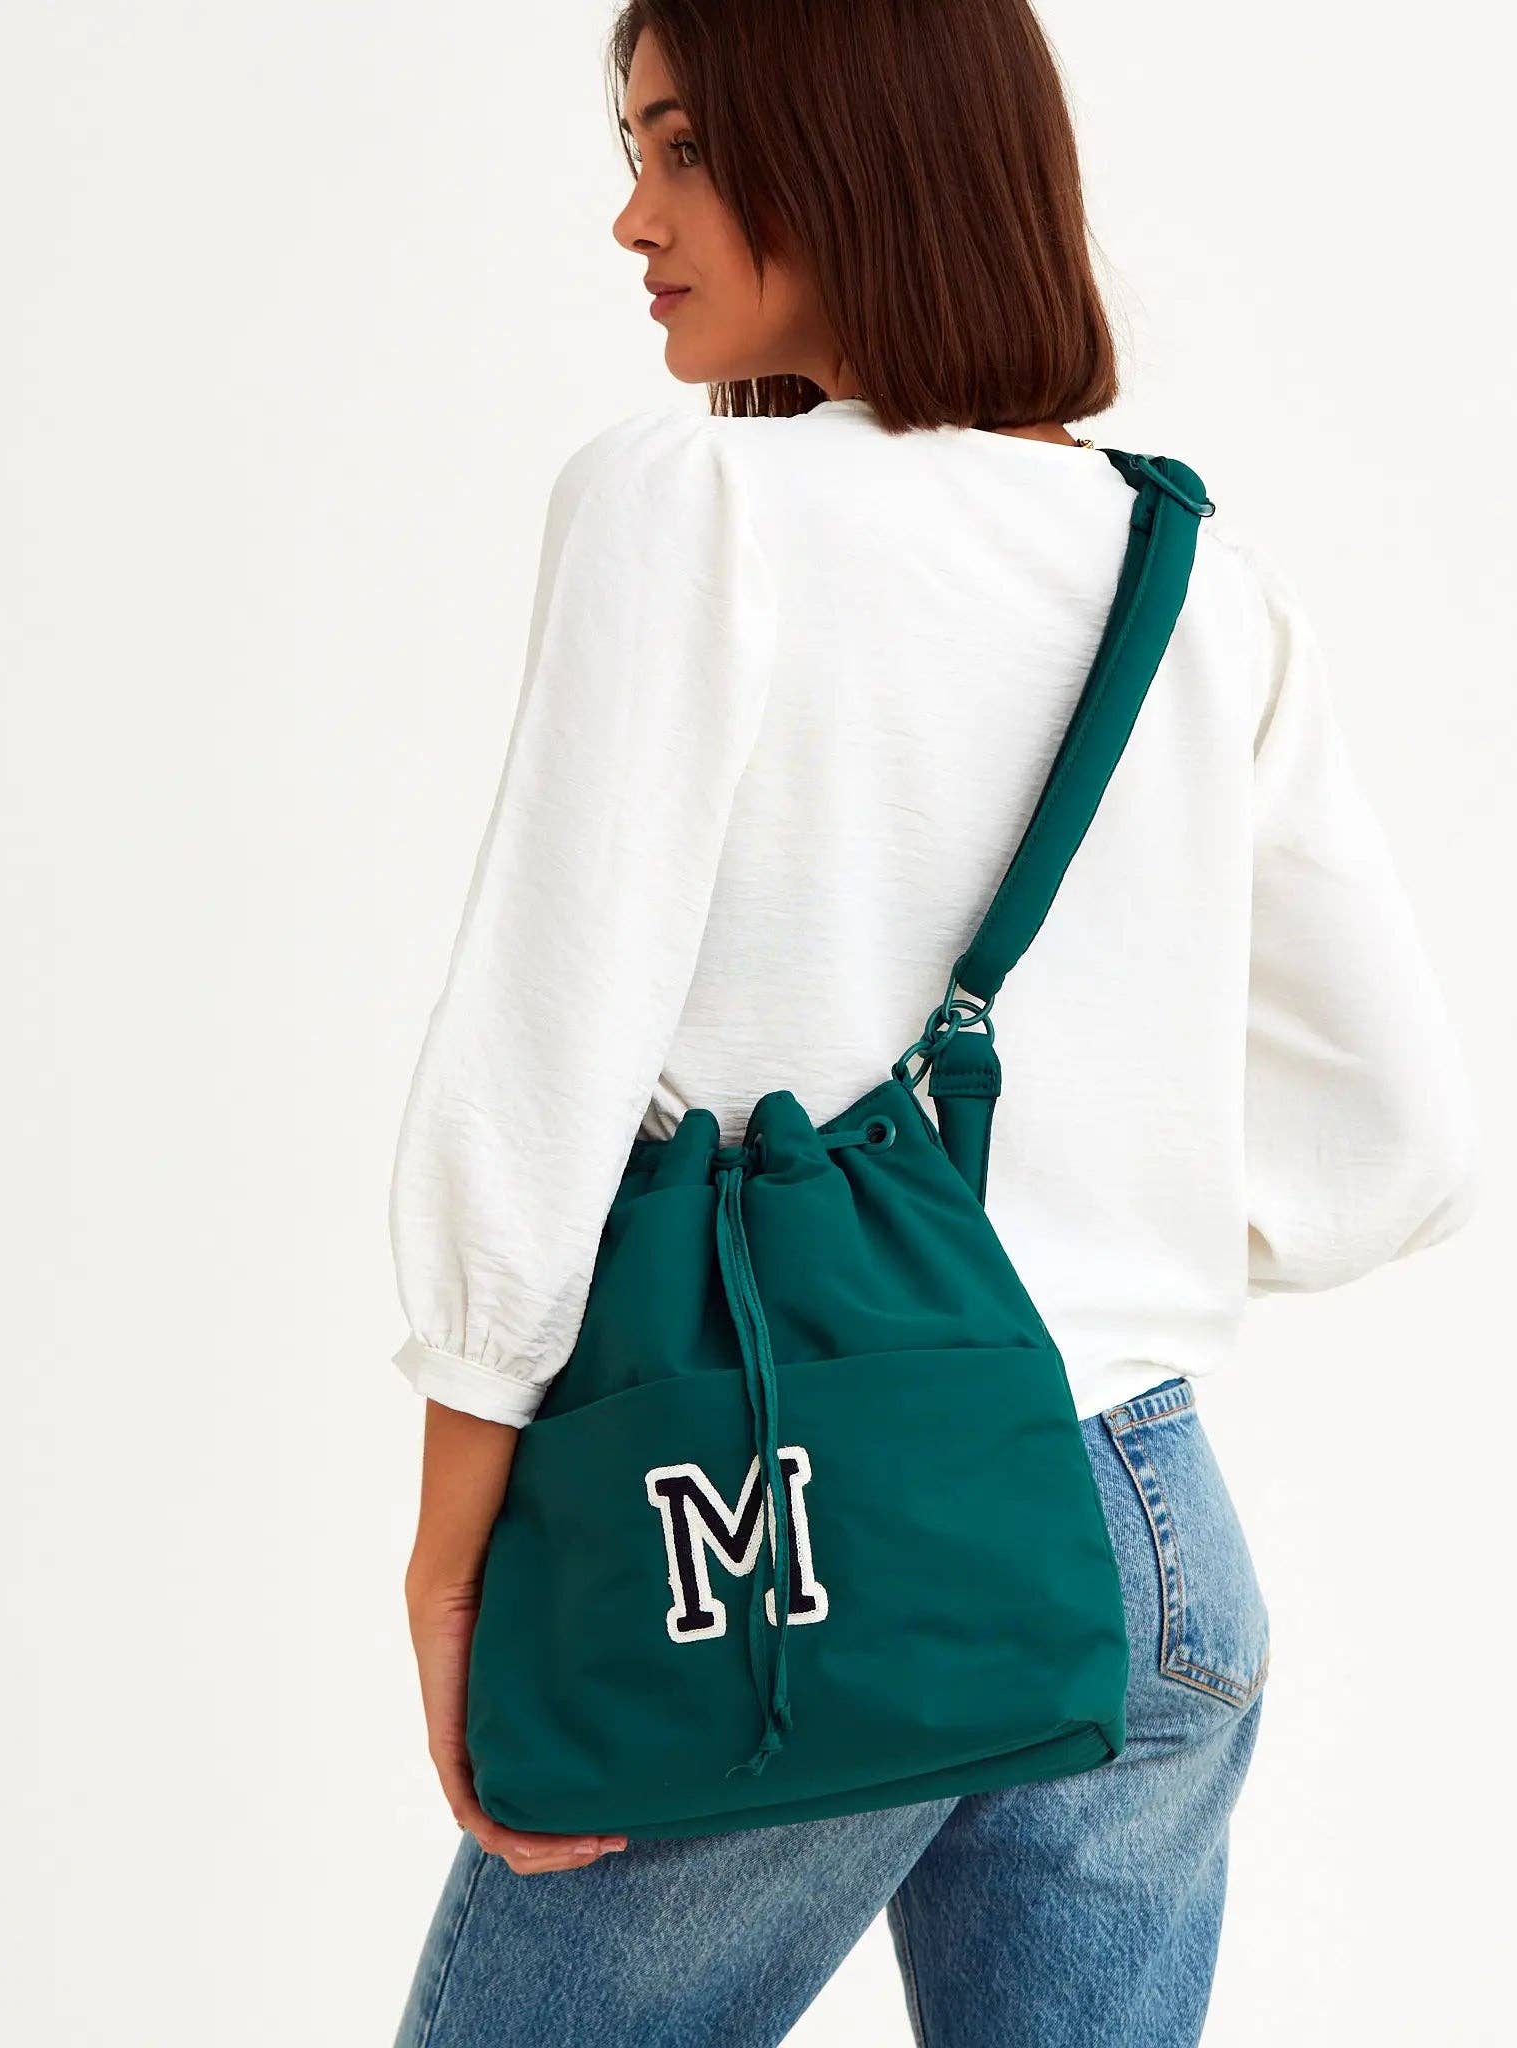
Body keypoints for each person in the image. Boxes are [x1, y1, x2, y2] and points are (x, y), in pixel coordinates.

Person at [385, 4, 1479, 2043]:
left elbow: (534, 1073)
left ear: (861, 148)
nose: (632, 219)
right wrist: (1095, 1227)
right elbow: (1395, 1146)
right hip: (1149, 1544)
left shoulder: (689, 505)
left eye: (685, 148)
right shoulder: (1189, 569)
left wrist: (453, 1560)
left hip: (791, 1524)